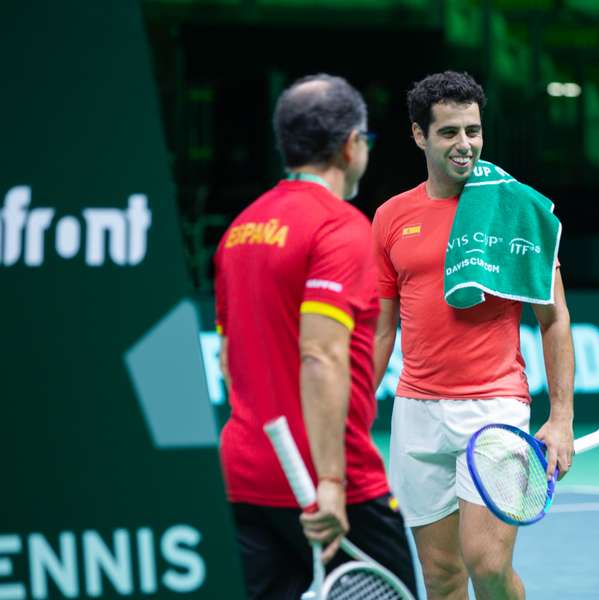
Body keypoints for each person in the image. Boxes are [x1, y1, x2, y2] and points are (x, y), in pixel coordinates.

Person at [372, 70, 575, 600]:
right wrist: (354, 411)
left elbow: (553, 318)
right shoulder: (392, 216)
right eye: (449, 133)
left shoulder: (516, 211)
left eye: (474, 131)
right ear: (419, 135)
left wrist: (561, 418)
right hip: (416, 413)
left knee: (487, 566)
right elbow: (381, 328)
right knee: (441, 579)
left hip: (493, 410)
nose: (465, 145)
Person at [214, 73, 417, 599]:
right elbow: (321, 355)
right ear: (351, 145)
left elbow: (228, 357)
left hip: (247, 475)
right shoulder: (340, 228)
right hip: (332, 482)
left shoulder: (239, 230)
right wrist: (329, 482)